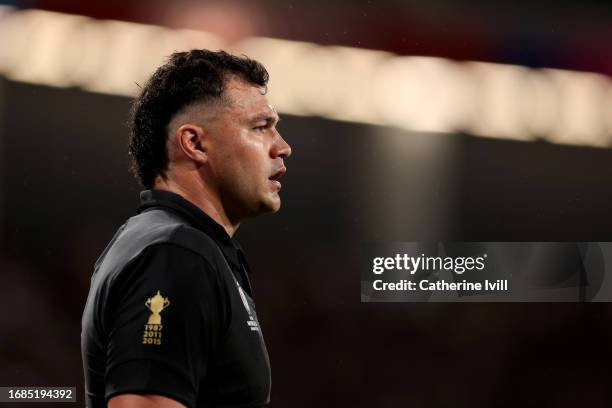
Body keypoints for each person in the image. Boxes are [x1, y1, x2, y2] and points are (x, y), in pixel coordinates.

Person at [81, 49, 291, 408]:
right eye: (260, 127)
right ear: (194, 143)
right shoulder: (175, 255)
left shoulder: (169, 245)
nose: (283, 148)